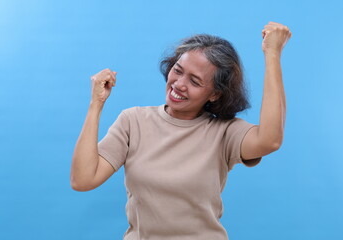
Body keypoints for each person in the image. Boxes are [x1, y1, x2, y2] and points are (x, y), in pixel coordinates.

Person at [70, 22, 291, 240]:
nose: (179, 84)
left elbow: (270, 140)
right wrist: (96, 104)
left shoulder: (224, 133)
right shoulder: (133, 121)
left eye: (194, 81)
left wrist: (272, 54)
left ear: (214, 94)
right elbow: (83, 179)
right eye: (177, 70)